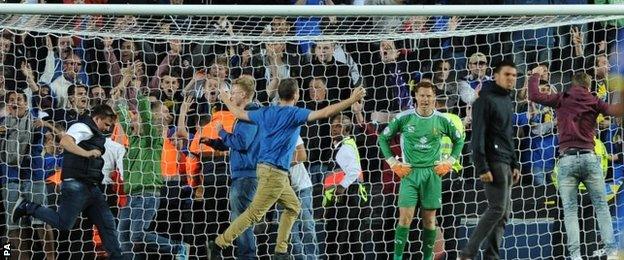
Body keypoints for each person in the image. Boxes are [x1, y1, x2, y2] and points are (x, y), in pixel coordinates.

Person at [208, 78, 366, 259]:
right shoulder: (294, 114)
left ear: (279, 94)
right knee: (253, 214)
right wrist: (351, 100)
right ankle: (219, 243)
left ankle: (280, 251)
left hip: (273, 172)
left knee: (293, 207)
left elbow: (237, 112)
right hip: (273, 173)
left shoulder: (266, 112)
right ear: (296, 95)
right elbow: (325, 112)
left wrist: (225, 98)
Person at [528, 67, 623, 260]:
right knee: (601, 207)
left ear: (573, 84)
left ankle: (575, 256)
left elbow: (534, 95)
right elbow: (615, 111)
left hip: (566, 159)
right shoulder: (593, 99)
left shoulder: (562, 97)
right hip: (589, 157)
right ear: (588, 86)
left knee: (569, 211)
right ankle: (612, 251)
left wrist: (535, 74)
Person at [11, 104, 125, 260]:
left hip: (91, 187)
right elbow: (65, 141)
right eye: (105, 124)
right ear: (97, 118)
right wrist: (87, 153)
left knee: (108, 226)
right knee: (60, 224)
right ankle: (26, 209)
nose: (107, 128)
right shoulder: (82, 127)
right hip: (75, 185)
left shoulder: (94, 133)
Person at [378, 81, 464, 260]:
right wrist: (393, 163)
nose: (425, 99)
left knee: (430, 221)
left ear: (434, 98)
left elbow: (459, 141)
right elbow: (383, 138)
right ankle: (397, 257)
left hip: (432, 174)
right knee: (404, 219)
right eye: (422, 95)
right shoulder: (404, 117)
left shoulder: (442, 119)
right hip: (409, 174)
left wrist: (450, 161)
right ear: (416, 97)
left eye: (429, 96)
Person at [194, 76, 262, 260]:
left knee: (241, 219)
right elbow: (234, 143)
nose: (230, 96)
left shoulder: (250, 115)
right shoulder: (245, 115)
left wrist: (221, 131)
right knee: (239, 219)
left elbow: (241, 142)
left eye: (233, 93)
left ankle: (247, 256)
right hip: (242, 175)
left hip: (246, 176)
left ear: (245, 94)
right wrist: (215, 142)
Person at [459, 60, 521, 260]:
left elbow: (507, 135)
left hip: (506, 161)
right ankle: (467, 253)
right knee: (497, 209)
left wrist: (515, 163)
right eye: (507, 75)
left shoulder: (507, 100)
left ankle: (491, 256)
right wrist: (481, 166)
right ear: (495, 75)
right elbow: (477, 136)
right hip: (492, 161)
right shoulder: (484, 99)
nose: (511, 78)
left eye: (514, 75)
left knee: (503, 214)